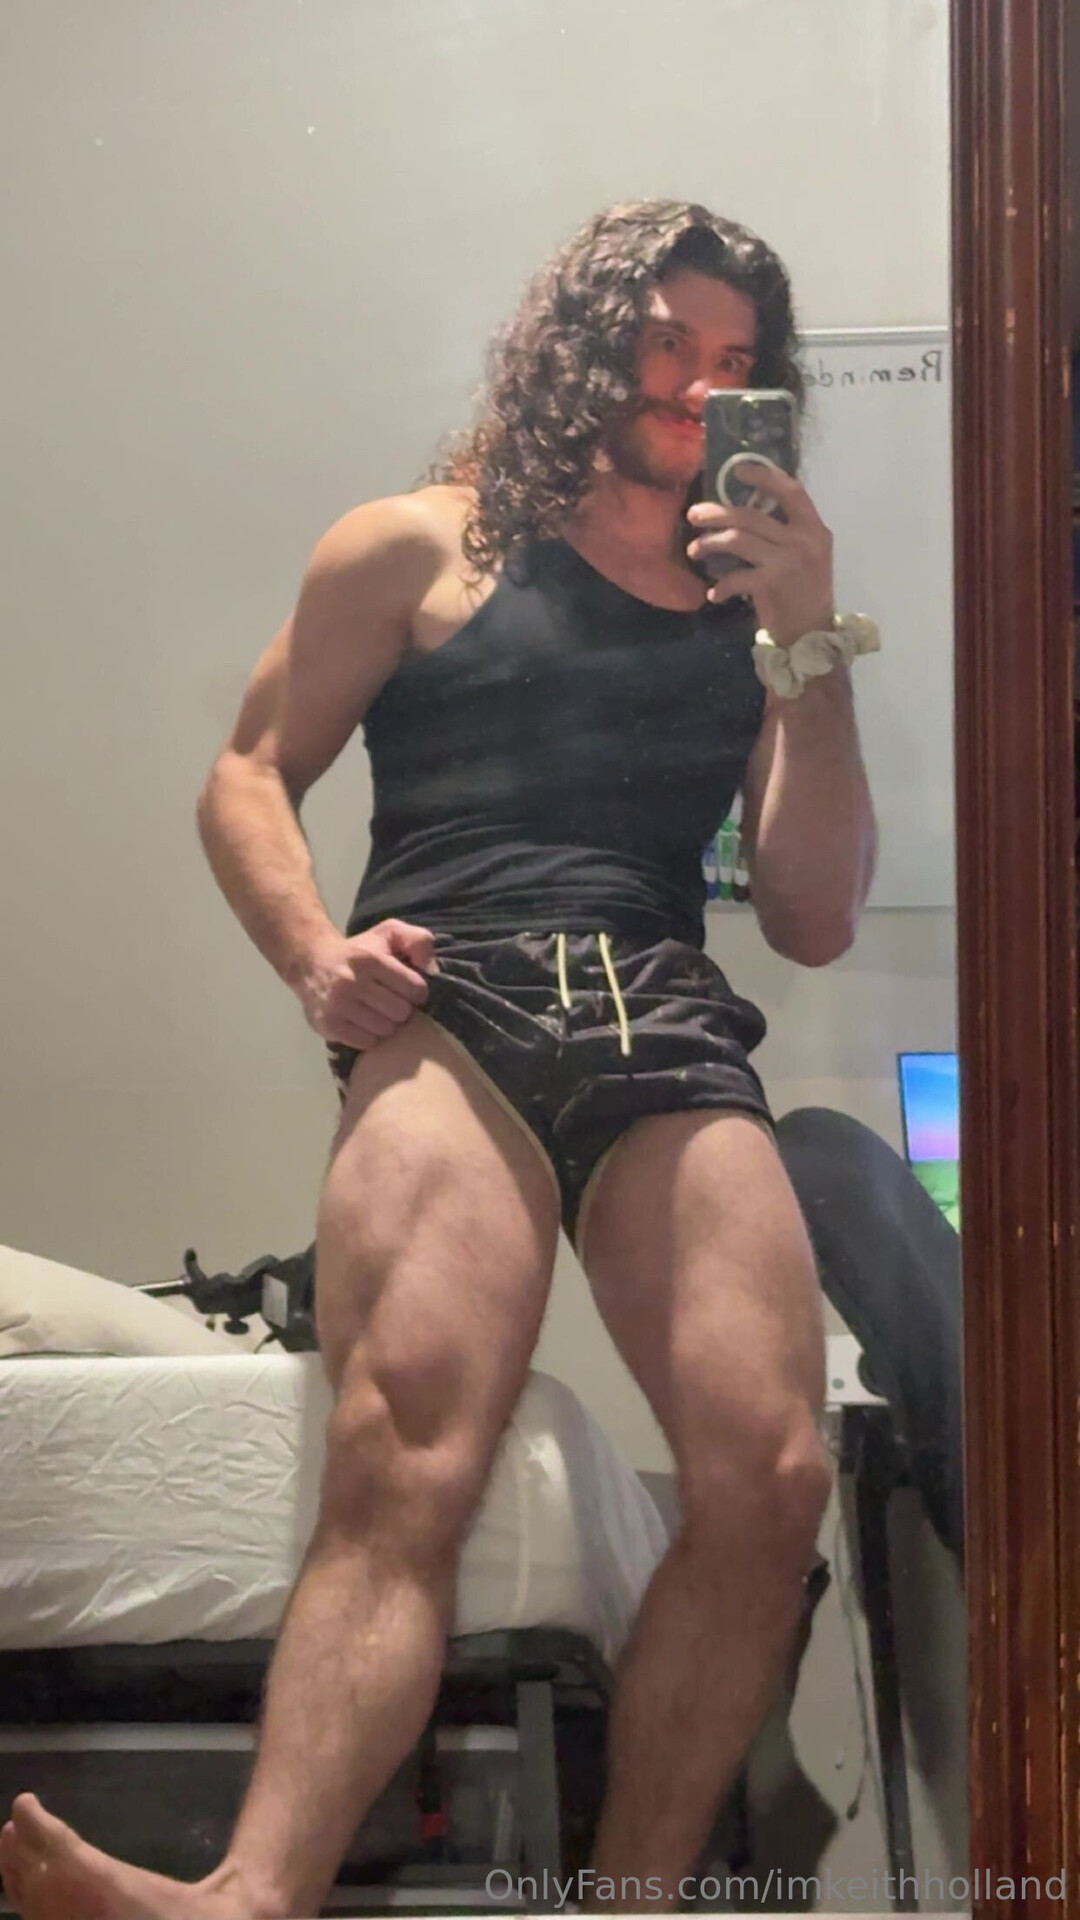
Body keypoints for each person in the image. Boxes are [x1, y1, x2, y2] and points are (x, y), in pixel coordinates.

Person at [1, 198, 876, 1920]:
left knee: (774, 1477)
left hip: (664, 1014)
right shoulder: (416, 546)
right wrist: (311, 955)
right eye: (667, 343)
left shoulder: (756, 611)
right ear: (583, 344)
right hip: (450, 1008)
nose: (698, 386)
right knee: (407, 1447)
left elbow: (816, 913)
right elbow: (248, 771)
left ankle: (630, 1905)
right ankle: (250, 1898)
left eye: (735, 363)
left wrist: (811, 638)